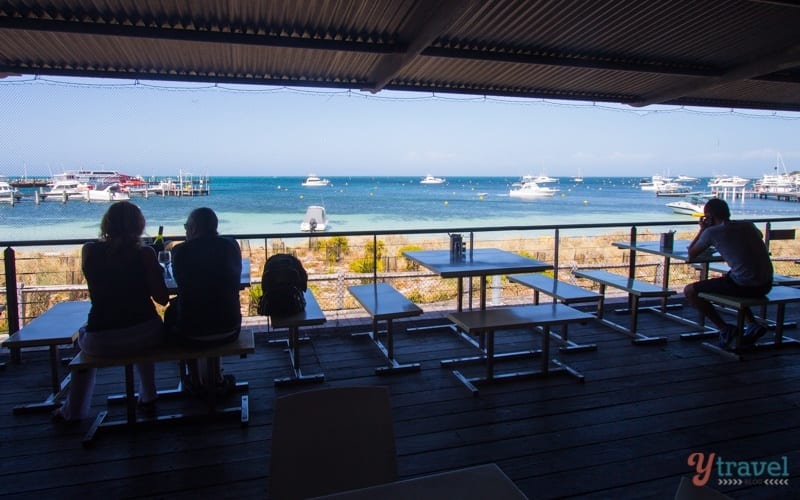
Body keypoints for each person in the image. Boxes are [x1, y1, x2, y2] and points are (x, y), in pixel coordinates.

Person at [54, 201, 169, 422]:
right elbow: (162, 299)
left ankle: (73, 411)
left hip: (102, 340)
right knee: (142, 329)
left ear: (106, 224)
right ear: (139, 225)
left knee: (84, 339)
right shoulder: (145, 254)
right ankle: (149, 395)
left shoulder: (89, 251)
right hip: (146, 335)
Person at [166, 207, 242, 389]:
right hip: (230, 329)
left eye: (186, 227)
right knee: (216, 304)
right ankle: (216, 377)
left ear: (192, 228)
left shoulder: (180, 251)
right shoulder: (231, 246)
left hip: (190, 335)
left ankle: (195, 380)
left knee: (182, 310)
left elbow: (181, 282)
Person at [684, 198, 773, 348]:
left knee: (690, 291)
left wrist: (702, 230)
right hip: (766, 284)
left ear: (709, 217)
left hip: (746, 287)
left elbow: (691, 253)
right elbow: (758, 236)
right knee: (731, 277)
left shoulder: (712, 232)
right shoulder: (748, 225)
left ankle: (724, 328)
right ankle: (751, 323)